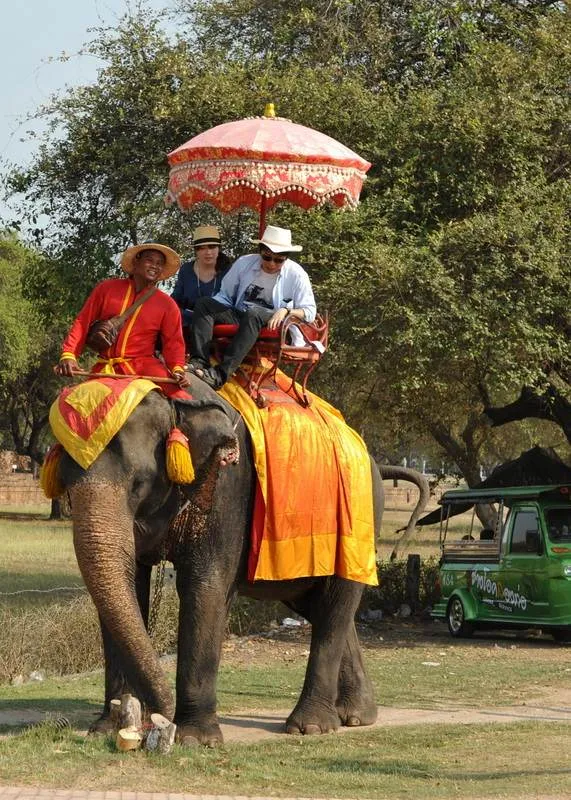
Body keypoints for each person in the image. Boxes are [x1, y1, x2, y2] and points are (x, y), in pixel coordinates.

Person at [54, 243, 191, 398]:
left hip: (144, 366)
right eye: (149, 260)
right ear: (136, 262)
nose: (154, 266)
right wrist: (69, 355)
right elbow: (82, 321)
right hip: (105, 366)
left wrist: (177, 369)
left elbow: (174, 342)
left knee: (183, 399)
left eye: (159, 263)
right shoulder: (107, 288)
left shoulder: (167, 304)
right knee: (74, 408)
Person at [189, 225, 316, 389]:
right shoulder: (244, 263)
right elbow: (225, 295)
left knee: (253, 312)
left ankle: (220, 375)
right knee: (204, 303)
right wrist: (212, 311)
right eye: (267, 257)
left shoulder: (297, 274)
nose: (271, 263)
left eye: (278, 260)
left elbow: (310, 312)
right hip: (240, 313)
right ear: (260, 252)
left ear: (286, 258)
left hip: (273, 319)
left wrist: (286, 311)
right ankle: (199, 361)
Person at [171, 225, 232, 350]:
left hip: (219, 320)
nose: (208, 252)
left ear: (219, 248)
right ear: (196, 251)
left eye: (212, 247)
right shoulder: (186, 269)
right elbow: (175, 299)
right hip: (188, 319)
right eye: (201, 248)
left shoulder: (229, 270)